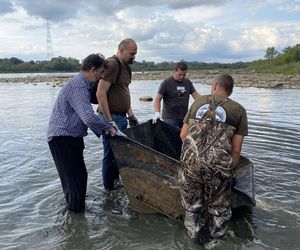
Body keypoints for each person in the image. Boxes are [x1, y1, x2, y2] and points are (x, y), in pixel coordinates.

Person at [47, 53, 124, 213]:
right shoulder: (78, 86)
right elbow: (88, 117)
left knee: (79, 179)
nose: (101, 77)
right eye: (101, 73)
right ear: (92, 69)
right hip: (62, 139)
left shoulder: (83, 85)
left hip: (71, 139)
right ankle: (76, 219)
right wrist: (109, 127)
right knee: (75, 182)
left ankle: (75, 217)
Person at [179, 74, 248, 244]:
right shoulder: (238, 110)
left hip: (190, 162)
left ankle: (193, 238)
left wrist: (195, 158)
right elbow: (237, 149)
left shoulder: (197, 102)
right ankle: (214, 242)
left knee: (191, 206)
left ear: (214, 85)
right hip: (217, 165)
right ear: (230, 91)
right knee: (219, 209)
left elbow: (183, 135)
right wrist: (228, 167)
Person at [96, 38, 139, 191]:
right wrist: (109, 121)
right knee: (109, 155)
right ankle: (109, 190)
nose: (134, 57)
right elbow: (101, 93)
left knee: (118, 154)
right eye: (131, 54)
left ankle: (115, 184)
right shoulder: (112, 64)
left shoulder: (126, 67)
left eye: (135, 54)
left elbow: (124, 92)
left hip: (122, 117)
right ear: (121, 50)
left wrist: (131, 115)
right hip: (111, 117)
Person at [152, 62, 200, 128]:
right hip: (169, 118)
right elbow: (158, 98)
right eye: (180, 74)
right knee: (174, 136)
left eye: (184, 75)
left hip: (184, 118)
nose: (182, 77)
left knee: (184, 137)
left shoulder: (187, 82)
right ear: (174, 71)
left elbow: (196, 96)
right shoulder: (166, 83)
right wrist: (157, 113)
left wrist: (206, 102)